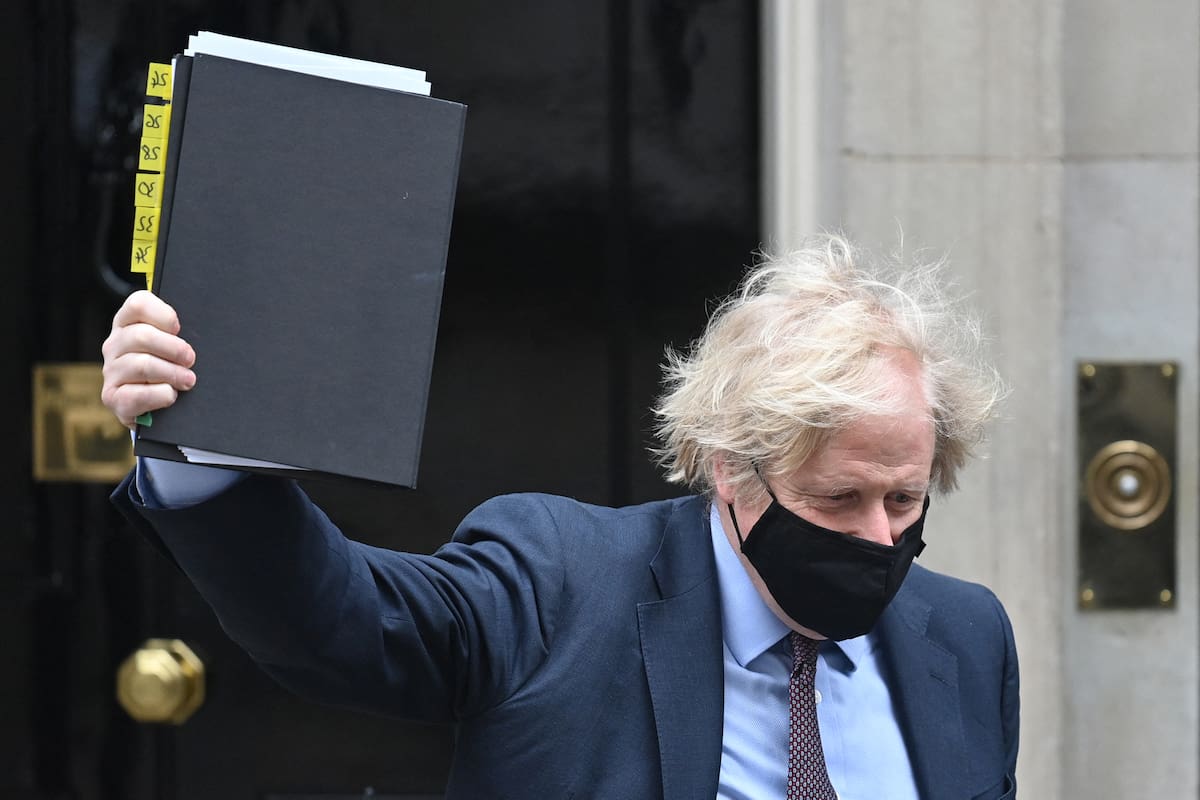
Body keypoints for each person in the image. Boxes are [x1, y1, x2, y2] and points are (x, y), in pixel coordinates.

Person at [102, 233, 1018, 799]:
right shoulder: (558, 583)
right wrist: (204, 443)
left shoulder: (966, 638)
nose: (879, 538)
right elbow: (339, 624)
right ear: (730, 467)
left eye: (905, 499)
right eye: (836, 500)